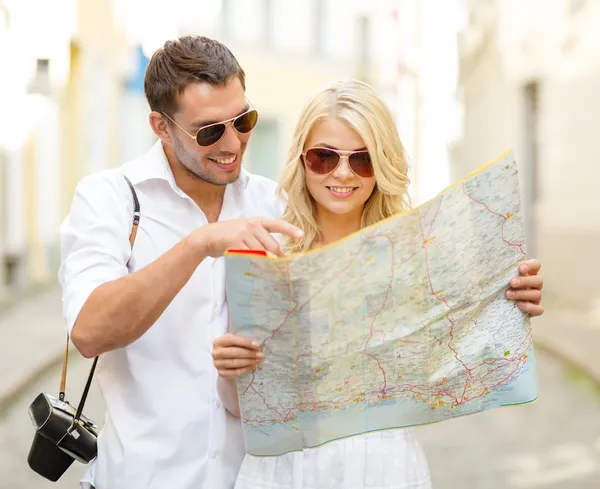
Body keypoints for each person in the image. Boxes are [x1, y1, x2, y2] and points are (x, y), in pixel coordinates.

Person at [212, 80, 545, 489]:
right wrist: (230, 372)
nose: (343, 173)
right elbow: (238, 408)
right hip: (285, 473)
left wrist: (510, 302)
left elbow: (462, 363)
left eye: (363, 159)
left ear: (383, 164)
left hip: (384, 469)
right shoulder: (266, 257)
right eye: (323, 157)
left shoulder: (417, 259)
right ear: (301, 160)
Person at [58, 36, 303, 489]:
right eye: (210, 130)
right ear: (161, 126)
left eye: (243, 120)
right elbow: (90, 333)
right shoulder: (109, 198)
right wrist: (199, 245)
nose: (234, 142)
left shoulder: (274, 202)